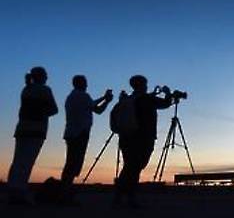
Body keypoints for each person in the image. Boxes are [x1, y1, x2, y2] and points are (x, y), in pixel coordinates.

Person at [114, 75, 173, 208]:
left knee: (129, 166)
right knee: (135, 168)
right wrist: (168, 93)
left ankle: (119, 196)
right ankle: (129, 198)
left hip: (126, 137)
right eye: (145, 84)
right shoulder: (147, 99)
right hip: (143, 138)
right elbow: (166, 103)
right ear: (143, 85)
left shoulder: (128, 98)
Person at [7, 67, 58, 206]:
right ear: (41, 76)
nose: (47, 77)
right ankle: (19, 193)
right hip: (36, 130)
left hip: (22, 129)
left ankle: (13, 190)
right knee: (27, 162)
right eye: (46, 75)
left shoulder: (26, 89)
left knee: (18, 161)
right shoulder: (44, 90)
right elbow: (54, 109)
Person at [59, 75, 113, 204]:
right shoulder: (82, 96)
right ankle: (64, 194)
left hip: (72, 133)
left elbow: (91, 104)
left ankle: (64, 192)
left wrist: (104, 98)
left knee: (71, 163)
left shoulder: (73, 97)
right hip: (79, 134)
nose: (87, 85)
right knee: (73, 164)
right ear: (81, 84)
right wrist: (107, 101)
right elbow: (98, 110)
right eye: (85, 83)